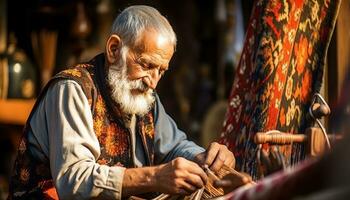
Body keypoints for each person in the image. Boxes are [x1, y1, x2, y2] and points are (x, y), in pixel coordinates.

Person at [8, 5, 237, 200]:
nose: (153, 82)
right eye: (146, 65)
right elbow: (73, 179)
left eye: (161, 71)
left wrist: (205, 158)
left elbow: (174, 146)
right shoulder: (72, 89)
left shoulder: (144, 96)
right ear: (114, 49)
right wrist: (155, 178)